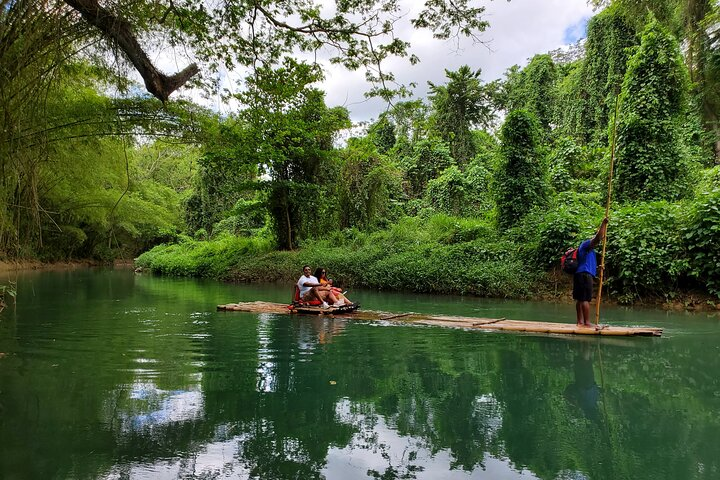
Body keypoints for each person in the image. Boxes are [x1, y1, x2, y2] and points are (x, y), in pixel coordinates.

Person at [573, 217, 609, 327]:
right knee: (585, 299)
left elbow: (588, 262)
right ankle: (587, 323)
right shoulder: (585, 244)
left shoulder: (588, 250)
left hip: (581, 274)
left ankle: (580, 322)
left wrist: (599, 268)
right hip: (584, 274)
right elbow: (599, 237)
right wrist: (603, 223)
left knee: (580, 299)